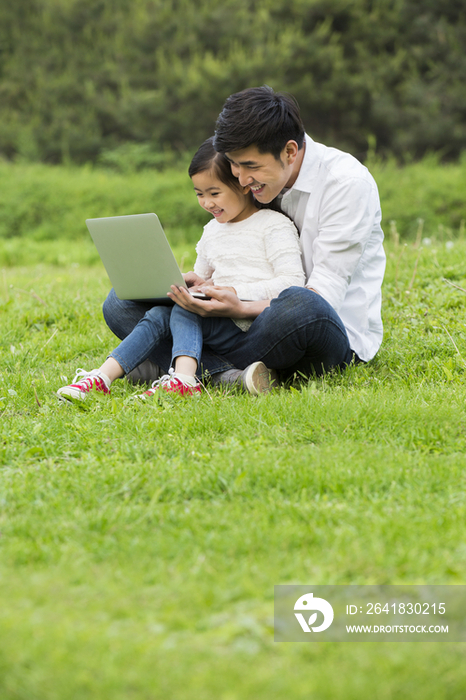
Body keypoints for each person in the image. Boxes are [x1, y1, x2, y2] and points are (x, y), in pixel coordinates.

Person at [56, 137, 305, 401]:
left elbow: (291, 287)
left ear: (243, 186)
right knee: (164, 311)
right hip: (214, 319)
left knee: (184, 307)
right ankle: (101, 378)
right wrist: (192, 282)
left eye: (214, 193)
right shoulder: (212, 231)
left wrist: (230, 290)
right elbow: (204, 280)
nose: (207, 203)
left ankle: (183, 379)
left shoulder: (273, 225)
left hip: (249, 324)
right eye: (199, 194)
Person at [166, 86, 386, 380]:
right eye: (233, 164)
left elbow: (324, 299)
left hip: (320, 330)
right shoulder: (260, 181)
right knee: (121, 303)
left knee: (301, 306)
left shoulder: (346, 184)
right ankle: (230, 375)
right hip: (245, 326)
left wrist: (240, 306)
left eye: (250, 166)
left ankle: (185, 363)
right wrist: (206, 286)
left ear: (290, 151)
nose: (242, 180)